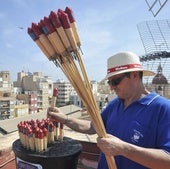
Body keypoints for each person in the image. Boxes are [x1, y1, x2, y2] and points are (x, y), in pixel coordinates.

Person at [47, 51, 170, 169]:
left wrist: (124, 149)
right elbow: (92, 127)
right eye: (110, 82)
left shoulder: (163, 109)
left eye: (116, 81)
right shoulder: (114, 104)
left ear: (135, 75)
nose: (111, 87)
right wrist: (65, 119)